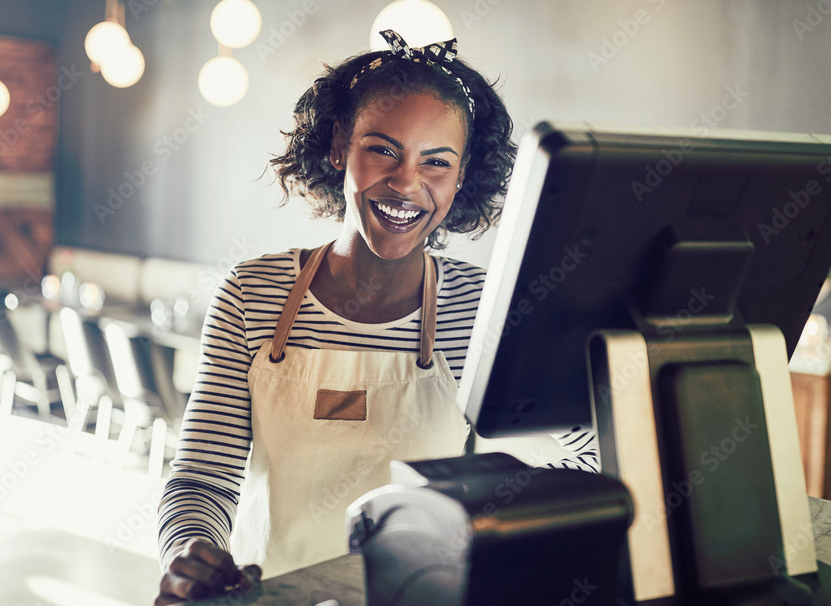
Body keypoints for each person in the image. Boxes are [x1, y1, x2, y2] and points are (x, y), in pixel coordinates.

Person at [155, 30, 599, 605]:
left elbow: (582, 458)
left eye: (436, 162)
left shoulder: (480, 306)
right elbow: (201, 481)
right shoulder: (253, 292)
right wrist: (190, 554)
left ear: (461, 175)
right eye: (383, 149)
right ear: (340, 145)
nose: (407, 182)